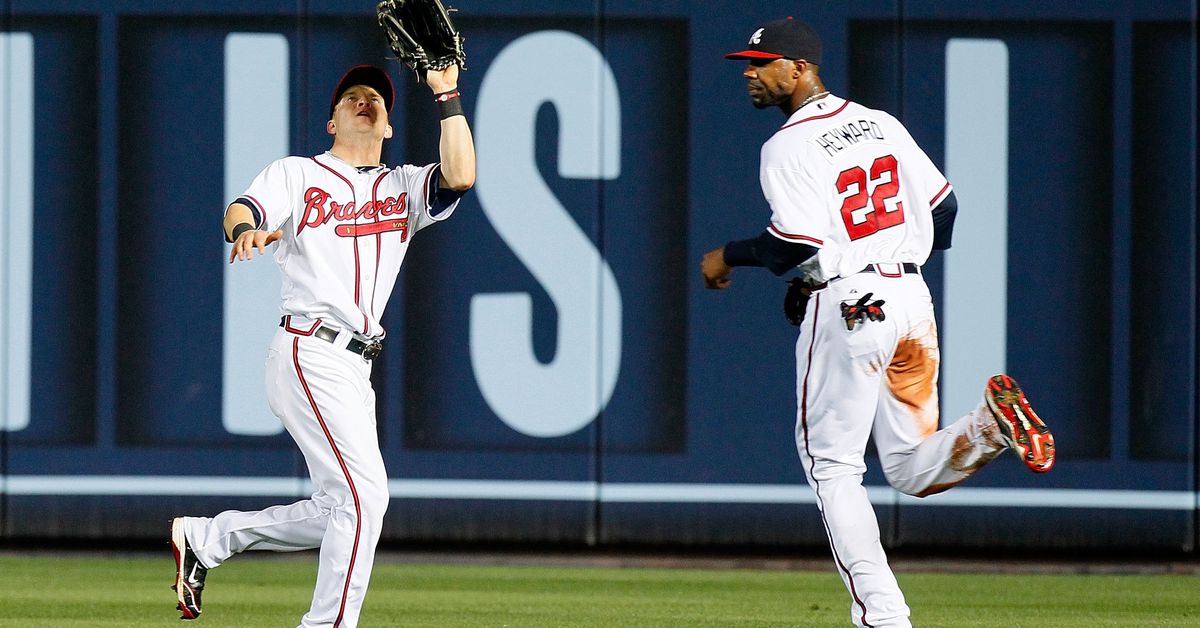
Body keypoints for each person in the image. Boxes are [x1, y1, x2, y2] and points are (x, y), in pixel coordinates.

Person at [701, 17, 1055, 628]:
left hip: (850, 302)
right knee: (911, 467)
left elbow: (792, 243)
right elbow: (944, 210)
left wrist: (728, 255)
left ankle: (882, 616)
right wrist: (891, 254)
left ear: (801, 67)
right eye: (747, 64)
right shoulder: (879, 123)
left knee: (834, 467)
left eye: (762, 63)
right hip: (910, 298)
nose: (750, 74)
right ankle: (990, 429)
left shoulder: (787, 144)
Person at [170, 62, 475, 627]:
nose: (365, 102)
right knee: (364, 499)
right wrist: (245, 232)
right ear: (331, 121)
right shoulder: (297, 174)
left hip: (356, 368)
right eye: (352, 98)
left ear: (388, 125)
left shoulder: (402, 186)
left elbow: (459, 176)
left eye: (375, 99)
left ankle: (209, 537)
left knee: (348, 506)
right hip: (309, 350)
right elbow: (241, 210)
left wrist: (446, 93)